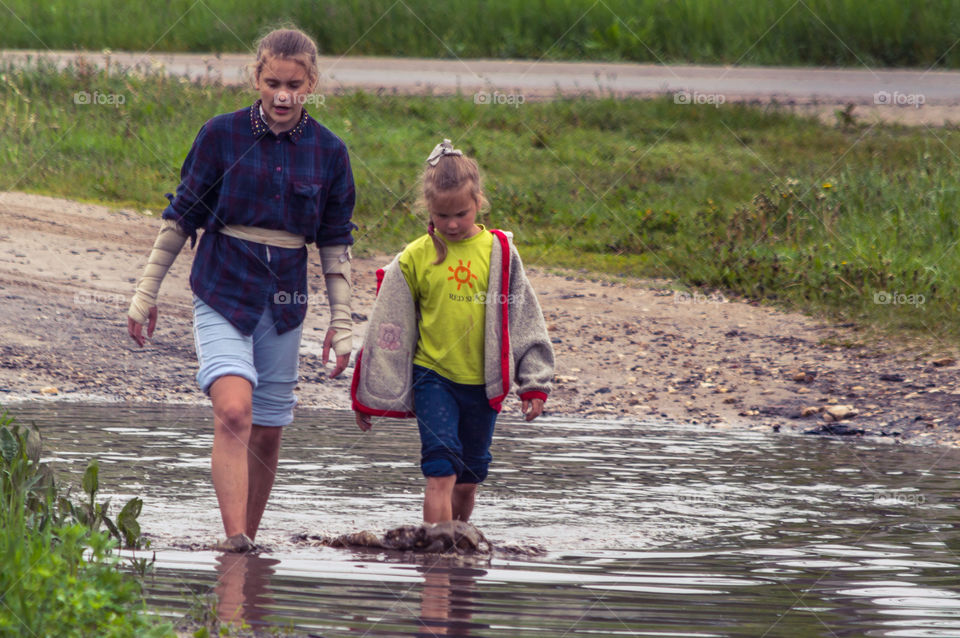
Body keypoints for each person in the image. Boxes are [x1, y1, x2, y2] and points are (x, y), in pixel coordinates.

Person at [127, 28, 356, 552]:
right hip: (223, 286)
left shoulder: (330, 152)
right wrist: (146, 292)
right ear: (256, 77)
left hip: (286, 300)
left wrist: (341, 324)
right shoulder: (220, 135)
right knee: (234, 411)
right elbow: (181, 217)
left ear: (312, 83)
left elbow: (336, 244)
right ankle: (234, 542)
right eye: (272, 82)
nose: (282, 95)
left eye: (294, 85)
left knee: (269, 430)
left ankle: (248, 540)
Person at [351, 139, 553, 524]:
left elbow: (525, 316)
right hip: (434, 379)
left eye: (461, 213)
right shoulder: (414, 257)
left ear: (479, 202)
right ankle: (437, 568)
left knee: (468, 478)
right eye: (442, 216)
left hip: (483, 383)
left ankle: (460, 546)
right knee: (440, 470)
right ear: (428, 209)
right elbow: (385, 326)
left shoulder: (500, 253)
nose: (453, 224)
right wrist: (368, 392)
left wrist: (534, 382)